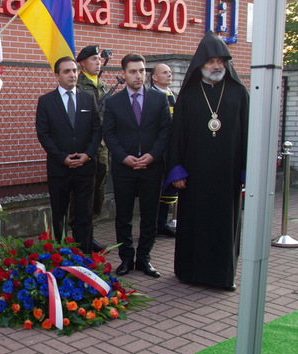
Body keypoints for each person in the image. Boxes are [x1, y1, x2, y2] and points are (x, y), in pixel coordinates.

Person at [166, 31, 248, 291]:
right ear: (201, 64)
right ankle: (190, 272)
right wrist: (177, 169)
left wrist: (246, 171)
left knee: (224, 224)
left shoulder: (239, 93)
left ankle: (223, 276)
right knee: (195, 223)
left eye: (220, 61)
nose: (216, 66)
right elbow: (177, 135)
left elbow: (248, 133)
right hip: (195, 175)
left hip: (228, 174)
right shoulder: (189, 94)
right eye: (211, 61)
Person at [103, 54, 171, 278]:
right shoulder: (113, 102)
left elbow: (165, 131)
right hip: (124, 169)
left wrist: (152, 155)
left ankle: (144, 259)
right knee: (123, 217)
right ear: (124, 74)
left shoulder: (159, 99)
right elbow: (109, 134)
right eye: (133, 71)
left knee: (149, 216)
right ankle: (126, 260)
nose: (138, 75)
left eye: (142, 71)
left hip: (152, 167)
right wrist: (124, 157)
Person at [35, 56, 101, 253]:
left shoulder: (88, 98)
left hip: (85, 168)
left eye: (74, 70)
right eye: (67, 71)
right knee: (59, 214)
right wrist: (61, 157)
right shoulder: (46, 101)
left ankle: (85, 255)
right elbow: (43, 134)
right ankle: (60, 255)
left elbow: (97, 130)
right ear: (57, 75)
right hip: (59, 168)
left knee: (84, 214)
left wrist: (88, 154)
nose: (72, 74)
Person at [75, 44, 110, 252]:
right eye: (94, 59)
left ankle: (90, 232)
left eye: (99, 59)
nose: (98, 63)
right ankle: (78, 233)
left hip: (102, 147)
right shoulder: (77, 85)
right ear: (82, 63)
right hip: (84, 147)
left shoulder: (104, 86)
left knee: (99, 191)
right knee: (81, 193)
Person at [150, 63, 178, 237]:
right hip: (155, 150)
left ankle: (162, 224)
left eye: (170, 72)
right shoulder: (150, 96)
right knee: (154, 189)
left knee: (167, 187)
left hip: (171, 150)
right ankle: (152, 225)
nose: (169, 75)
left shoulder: (174, 96)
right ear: (154, 77)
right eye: (165, 72)